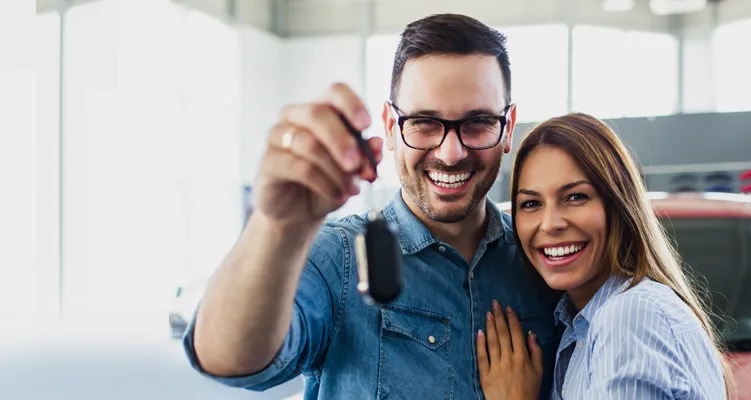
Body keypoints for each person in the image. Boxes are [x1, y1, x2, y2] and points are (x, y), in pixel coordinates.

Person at [182, 14, 561, 400]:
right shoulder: (339, 258)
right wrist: (277, 227)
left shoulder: (544, 257)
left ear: (508, 127)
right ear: (390, 125)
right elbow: (227, 360)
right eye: (424, 122)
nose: (450, 153)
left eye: (478, 122)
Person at [475, 113, 734, 399]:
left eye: (575, 197)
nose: (550, 223)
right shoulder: (582, 324)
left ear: (618, 204)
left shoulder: (630, 317)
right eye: (531, 203)